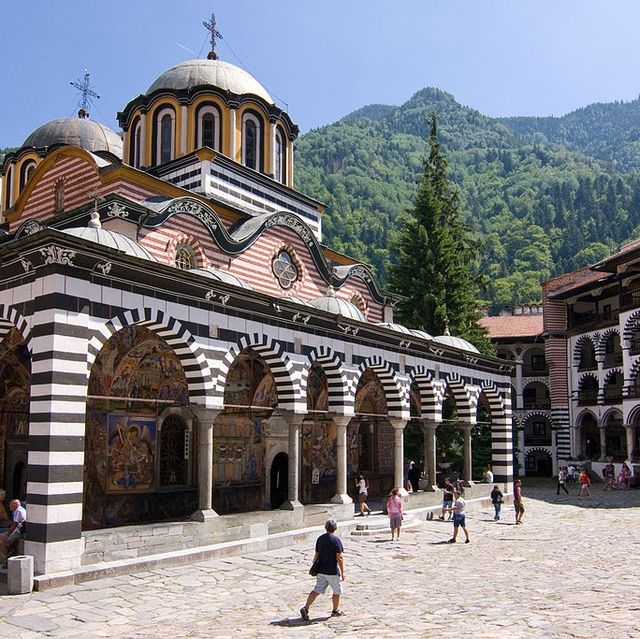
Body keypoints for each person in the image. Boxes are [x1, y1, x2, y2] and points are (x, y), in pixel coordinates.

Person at [300, 519, 345, 621]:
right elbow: (340, 557)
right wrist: (343, 572)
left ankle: (306, 608)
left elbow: (317, 554)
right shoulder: (336, 540)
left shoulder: (320, 539)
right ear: (335, 528)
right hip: (332, 570)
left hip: (321, 569)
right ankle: (335, 610)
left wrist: (313, 566)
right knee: (337, 591)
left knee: (316, 590)